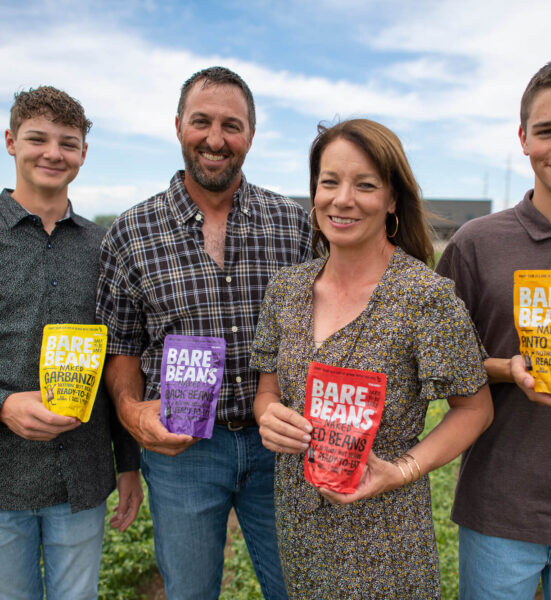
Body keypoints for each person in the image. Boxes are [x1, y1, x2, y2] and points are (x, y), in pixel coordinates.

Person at [250, 118, 493, 599]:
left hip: (386, 535)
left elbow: (475, 409)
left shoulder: (425, 297)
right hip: (300, 525)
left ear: (392, 199)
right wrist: (268, 416)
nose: (342, 199)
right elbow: (268, 391)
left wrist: (400, 471)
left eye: (364, 185)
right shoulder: (286, 290)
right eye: (329, 182)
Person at [96, 66, 312, 600]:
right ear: (178, 126)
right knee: (190, 591)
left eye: (231, 125)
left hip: (279, 445)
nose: (215, 139)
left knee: (297, 587)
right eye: (201, 122)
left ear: (251, 136)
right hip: (183, 454)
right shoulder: (131, 232)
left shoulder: (294, 224)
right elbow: (121, 345)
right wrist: (130, 411)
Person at [436, 55, 551, 599]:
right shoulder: (476, 244)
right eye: (547, 130)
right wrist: (507, 369)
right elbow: (440, 365)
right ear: (524, 138)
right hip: (499, 509)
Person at [0, 86, 142, 600]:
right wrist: (3, 404)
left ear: (84, 153)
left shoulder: (105, 247)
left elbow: (120, 357)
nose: (53, 153)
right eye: (38, 139)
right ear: (11, 141)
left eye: (68, 143)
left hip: (81, 479)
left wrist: (129, 464)